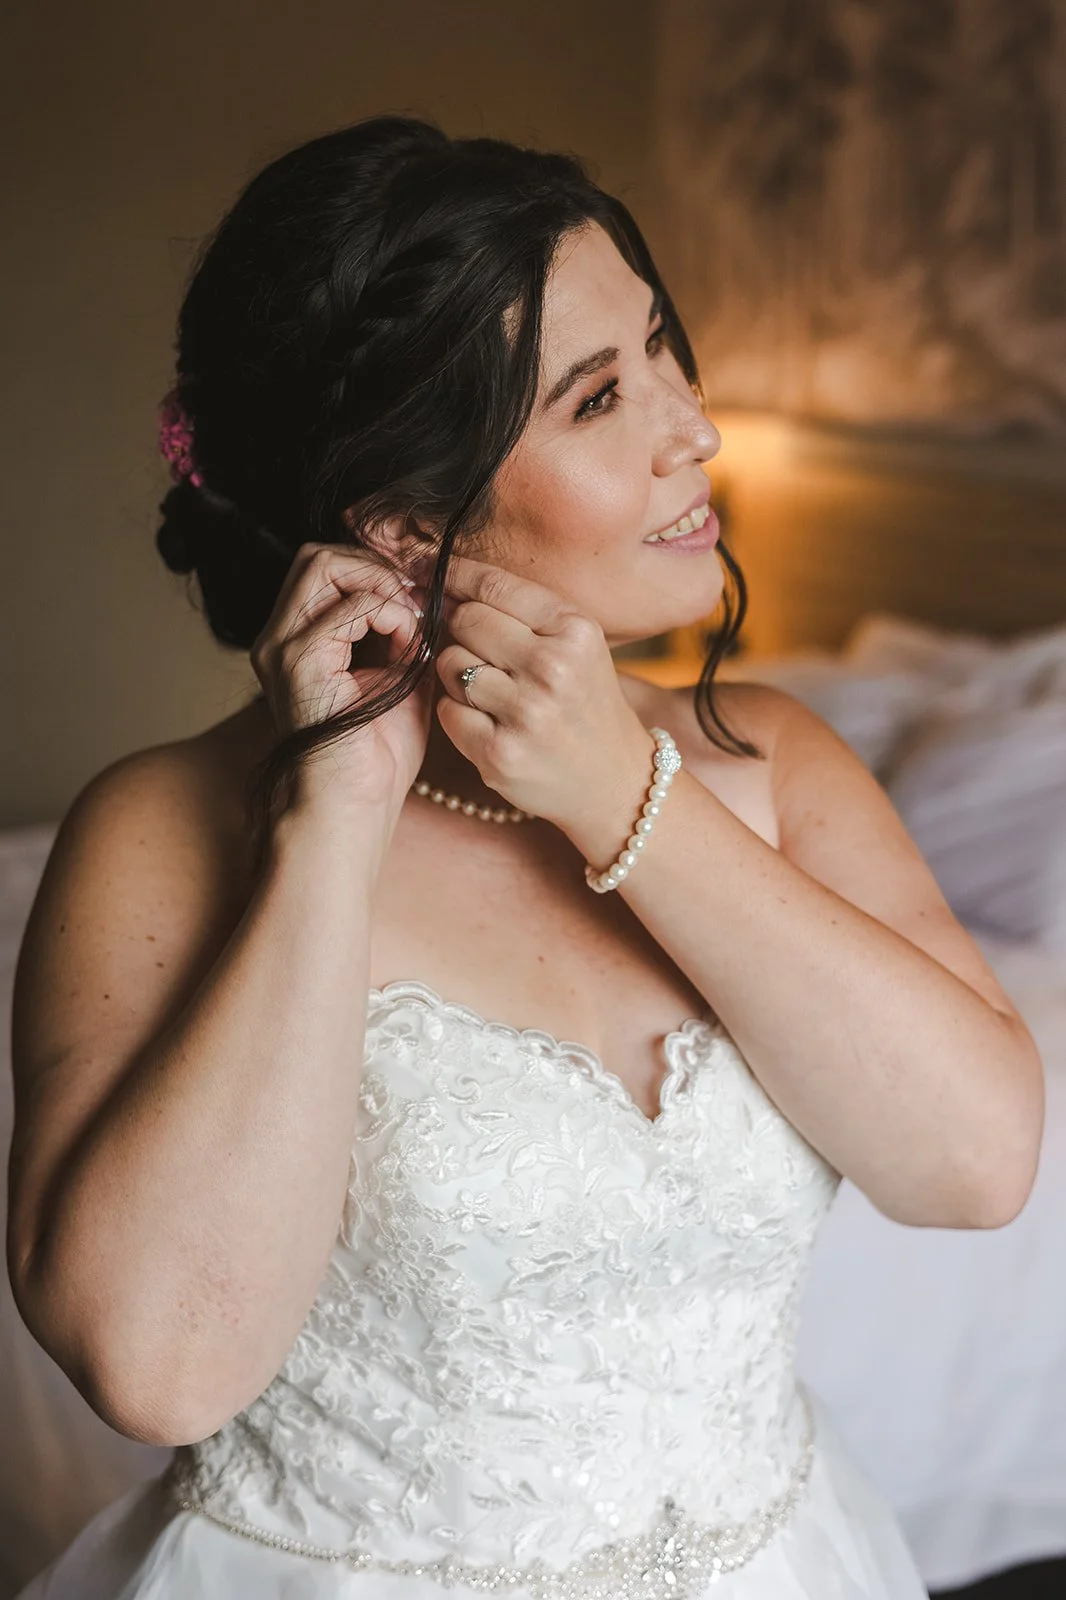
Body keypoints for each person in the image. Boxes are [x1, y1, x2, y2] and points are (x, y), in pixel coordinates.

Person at [6, 114, 1043, 1599]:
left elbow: (973, 1165)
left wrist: (631, 798)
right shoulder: (158, 830)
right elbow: (158, 1365)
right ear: (403, 520)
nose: (697, 428)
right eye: (603, 394)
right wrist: (331, 819)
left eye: (664, 351)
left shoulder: (767, 763)